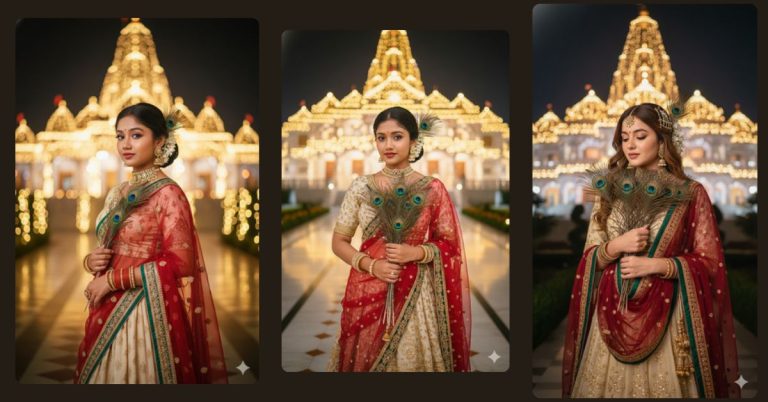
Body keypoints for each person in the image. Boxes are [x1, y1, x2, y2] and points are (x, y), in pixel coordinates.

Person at [562, 103, 740, 397]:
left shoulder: (691, 193)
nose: (630, 144)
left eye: (640, 136)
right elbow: (590, 259)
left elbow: (710, 263)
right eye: (624, 137)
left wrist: (658, 266)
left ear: (662, 140)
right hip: (610, 315)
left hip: (669, 317)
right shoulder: (609, 191)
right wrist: (617, 246)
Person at [75, 103, 227, 384]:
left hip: (144, 312)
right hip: (106, 305)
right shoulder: (119, 191)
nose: (125, 144)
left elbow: (182, 264)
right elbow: (110, 246)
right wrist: (91, 261)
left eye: (136, 135)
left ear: (159, 141)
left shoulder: (169, 194)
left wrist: (111, 281)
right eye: (120, 136)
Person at [327, 106, 471, 372]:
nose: (388, 145)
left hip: (415, 291)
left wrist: (415, 253)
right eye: (381, 138)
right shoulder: (361, 187)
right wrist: (372, 266)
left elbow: (450, 245)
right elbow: (339, 242)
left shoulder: (432, 188)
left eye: (397, 136)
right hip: (368, 288)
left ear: (414, 141)